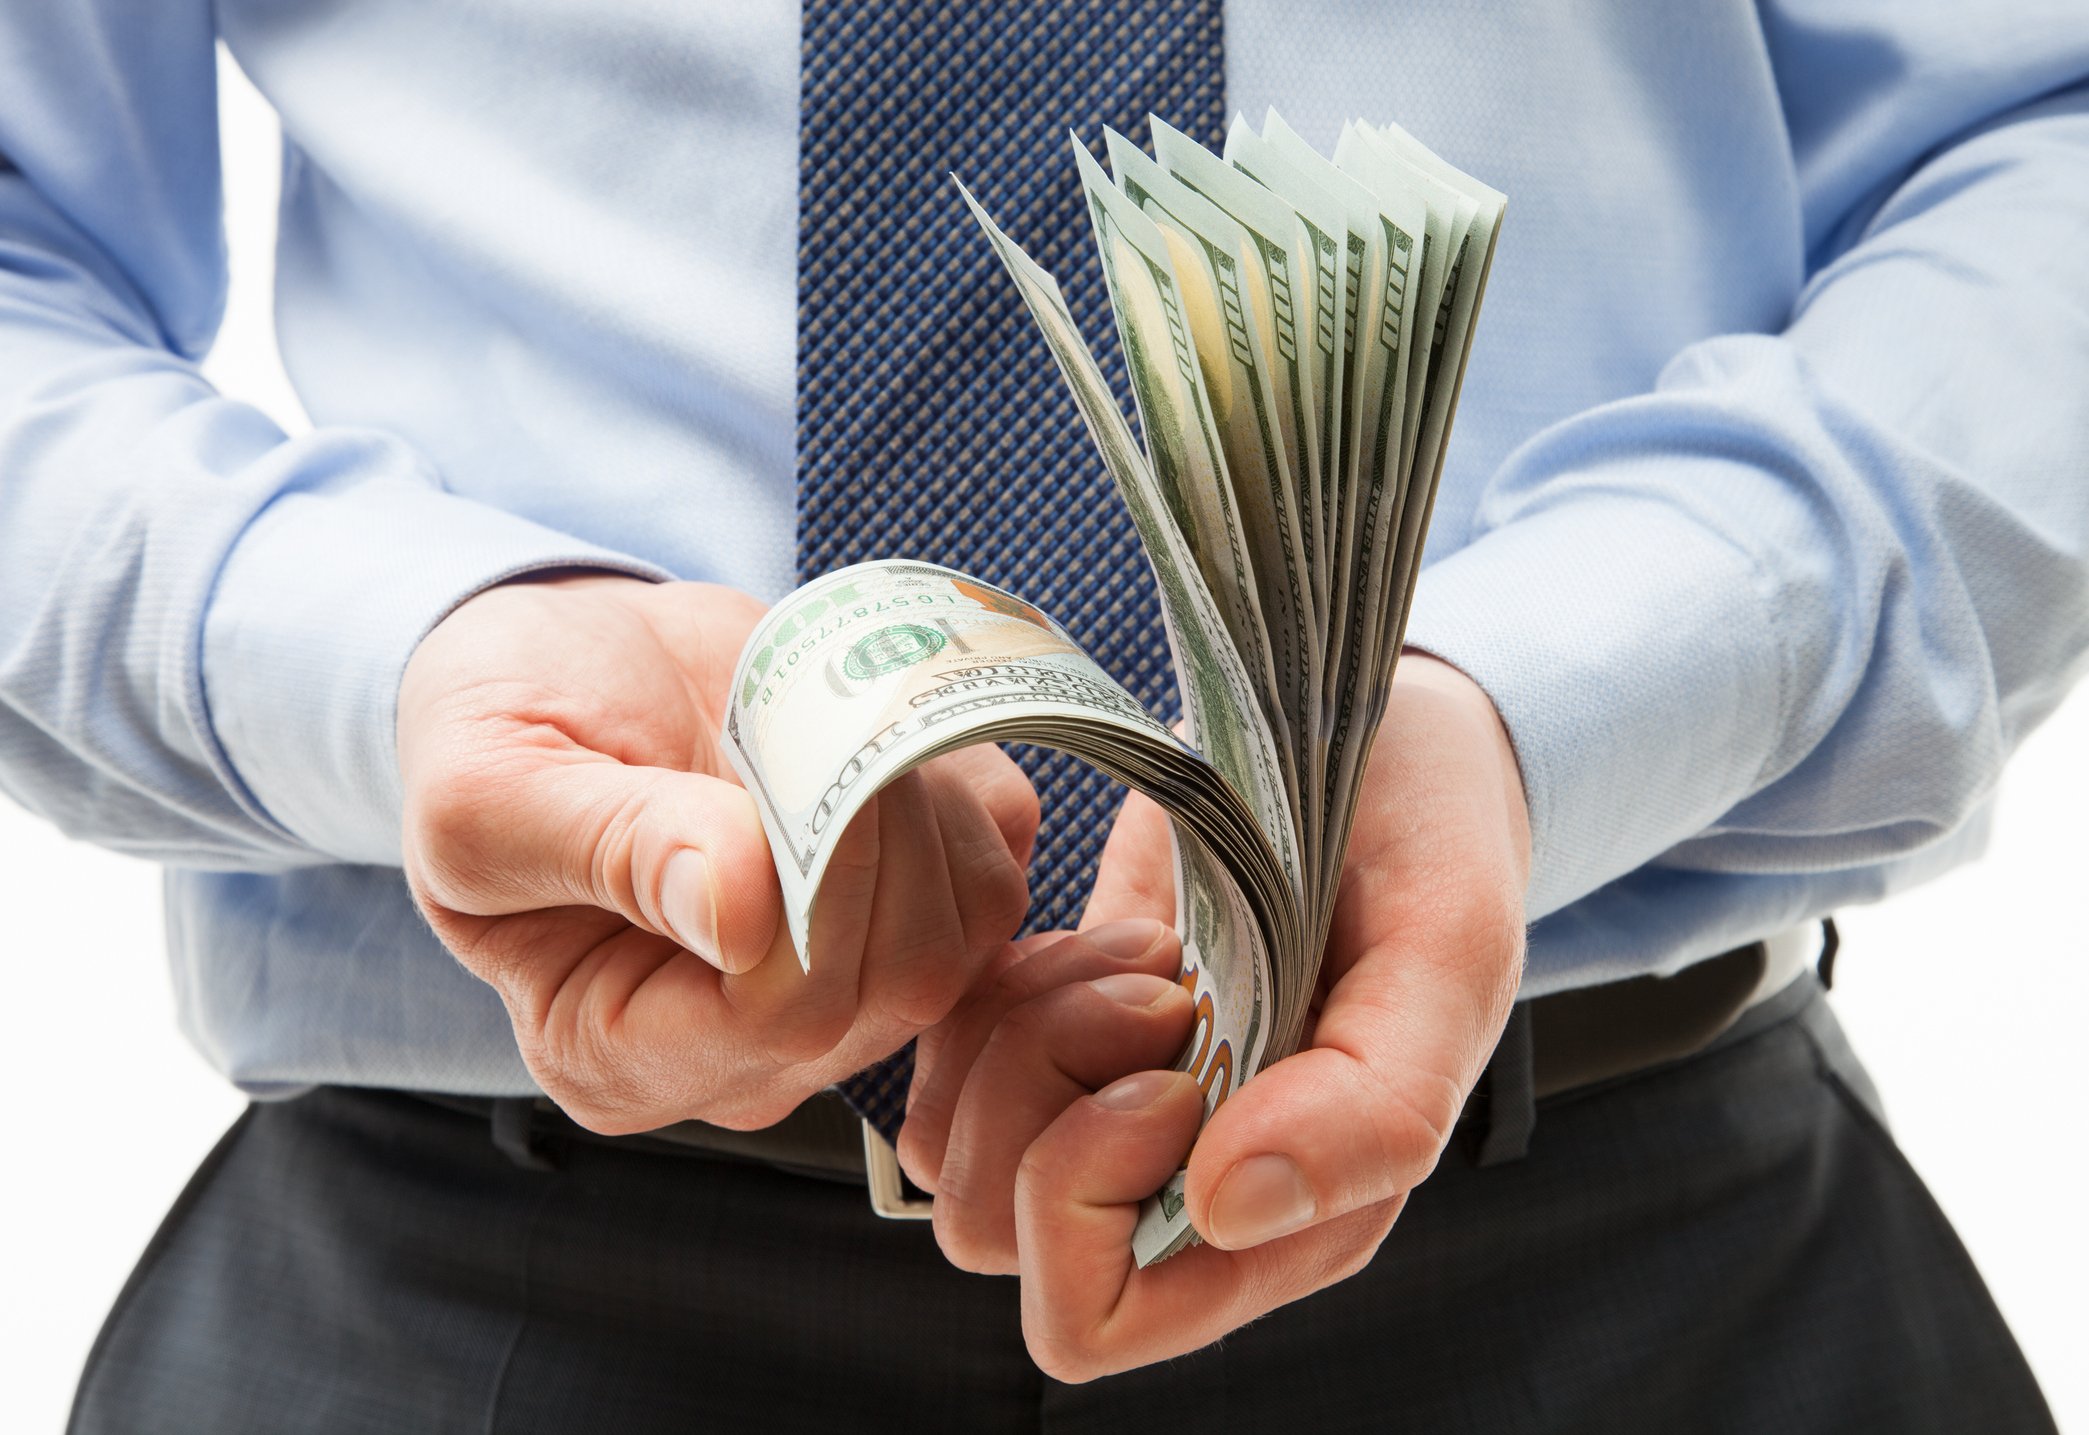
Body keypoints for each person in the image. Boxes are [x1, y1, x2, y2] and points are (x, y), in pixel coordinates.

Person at [4, 1, 2084, 1429]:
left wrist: (1541, 697)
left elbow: (2041, 135)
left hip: (1665, 1279)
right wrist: (409, 652)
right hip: (447, 1294)